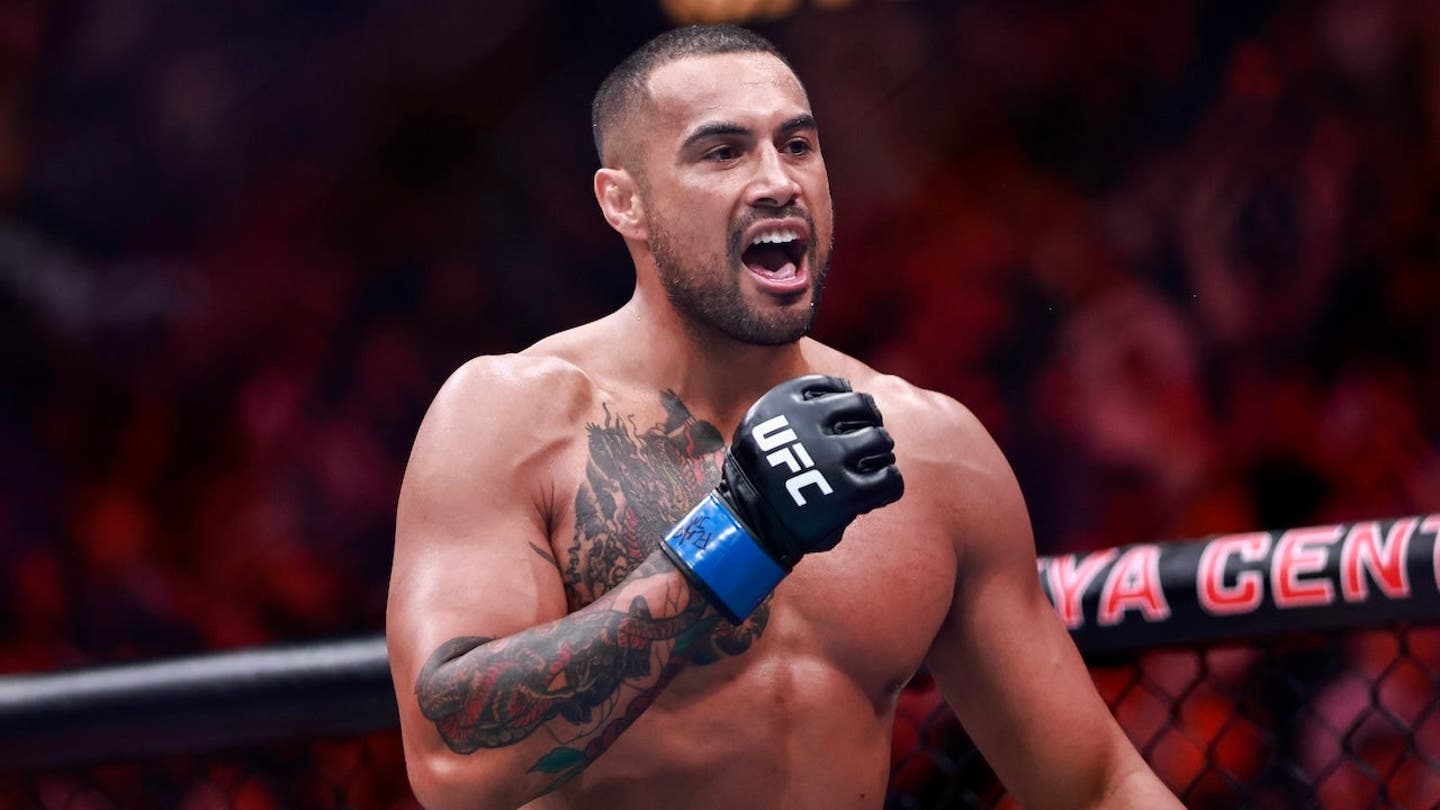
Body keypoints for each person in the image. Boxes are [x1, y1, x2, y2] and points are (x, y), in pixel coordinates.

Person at [386, 24, 1180, 810]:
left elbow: (1096, 785)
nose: (777, 180)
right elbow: (451, 766)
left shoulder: (932, 450)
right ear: (625, 202)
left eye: (797, 145)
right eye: (722, 152)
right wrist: (742, 536)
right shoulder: (516, 419)